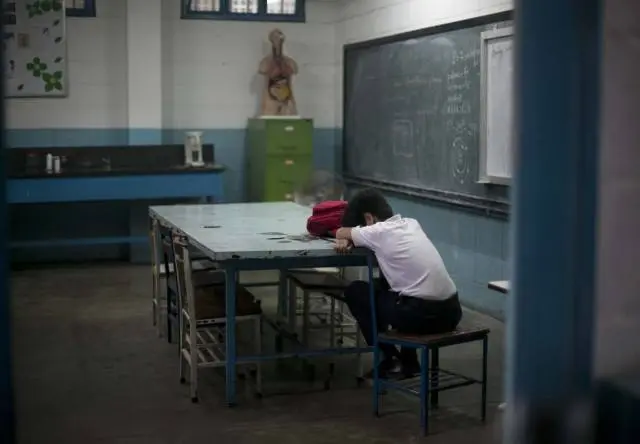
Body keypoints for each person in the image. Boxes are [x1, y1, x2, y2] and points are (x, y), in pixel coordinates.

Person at [335, 189, 462, 379]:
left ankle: (389, 358)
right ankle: (409, 362)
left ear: (369, 218)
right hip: (452, 312)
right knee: (394, 287)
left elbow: (340, 232)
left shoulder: (377, 231)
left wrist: (348, 237)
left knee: (356, 292)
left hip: (422, 316)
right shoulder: (411, 223)